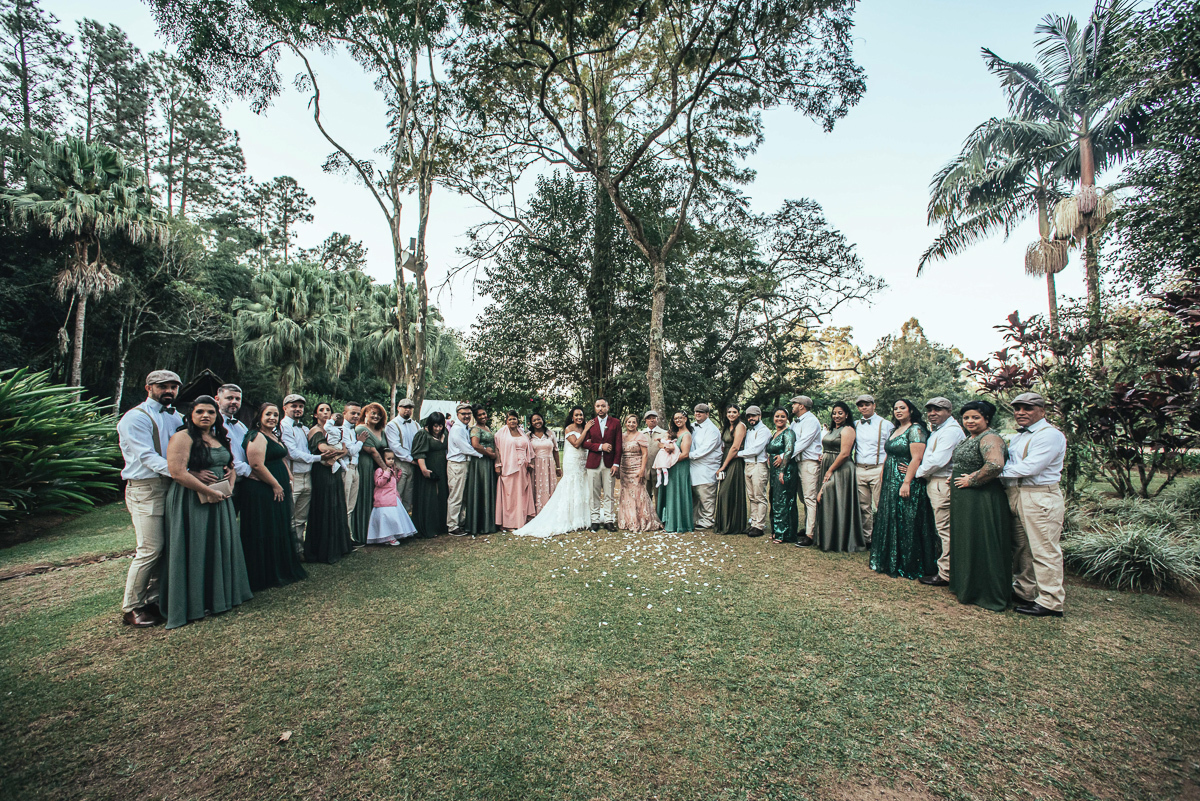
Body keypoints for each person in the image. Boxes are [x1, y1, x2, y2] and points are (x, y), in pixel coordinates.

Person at [159, 395, 252, 629]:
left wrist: (228, 487)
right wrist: (206, 491)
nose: (205, 416)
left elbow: (230, 467)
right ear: (191, 414)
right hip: (191, 499)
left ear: (216, 416)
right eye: (200, 411)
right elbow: (178, 472)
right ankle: (194, 603)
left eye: (210, 412)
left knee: (219, 544)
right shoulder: (182, 437)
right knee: (196, 546)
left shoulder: (218, 437)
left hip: (221, 497)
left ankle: (220, 597)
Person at [117, 369, 185, 627]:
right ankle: (132, 607)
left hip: (172, 485)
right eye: (163, 386)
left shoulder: (176, 417)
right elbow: (147, 457)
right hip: (145, 488)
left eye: (173, 387)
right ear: (149, 388)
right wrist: (185, 474)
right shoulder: (135, 418)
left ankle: (154, 600)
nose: (169, 391)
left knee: (166, 548)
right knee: (149, 549)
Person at [1001, 392, 1068, 618]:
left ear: (1042, 411)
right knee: (1021, 547)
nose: (1021, 413)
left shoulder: (1049, 435)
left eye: (1027, 408)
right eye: (1017, 408)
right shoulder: (1019, 436)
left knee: (1044, 549)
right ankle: (1024, 591)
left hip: (1040, 495)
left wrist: (989, 472)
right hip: (1017, 493)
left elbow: (1030, 468)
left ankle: (1051, 601)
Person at [948, 401, 1012, 612]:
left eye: (975, 417)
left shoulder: (990, 438)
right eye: (966, 417)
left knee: (981, 539)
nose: (970, 421)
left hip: (981, 498)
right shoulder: (971, 438)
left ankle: (985, 591)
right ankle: (967, 586)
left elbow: (995, 464)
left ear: (986, 419)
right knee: (968, 538)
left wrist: (972, 480)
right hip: (965, 498)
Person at [870, 399, 941, 579]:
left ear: (911, 410)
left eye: (902, 408)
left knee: (906, 518)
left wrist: (907, 481)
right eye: (895, 408)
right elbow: (889, 454)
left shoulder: (915, 429)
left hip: (905, 480)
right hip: (889, 480)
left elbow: (916, 458)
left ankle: (909, 563)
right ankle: (889, 559)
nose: (898, 411)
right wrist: (883, 476)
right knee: (890, 516)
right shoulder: (895, 430)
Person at [240, 402, 307, 592]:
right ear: (259, 416)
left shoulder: (273, 435)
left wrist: (288, 475)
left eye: (276, 415)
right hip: (263, 489)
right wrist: (276, 484)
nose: (272, 418)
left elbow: (279, 457)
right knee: (265, 527)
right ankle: (264, 573)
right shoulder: (257, 437)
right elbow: (257, 465)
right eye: (268, 414)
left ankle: (279, 566)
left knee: (278, 525)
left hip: (278, 486)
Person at [514, 406, 592, 538]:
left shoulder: (580, 429)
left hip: (583, 461)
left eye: (581, 415)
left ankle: (582, 517)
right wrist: (586, 429)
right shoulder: (569, 429)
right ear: (572, 417)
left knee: (582, 486)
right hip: (572, 461)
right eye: (576, 415)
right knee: (571, 486)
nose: (579, 417)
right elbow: (577, 443)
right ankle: (569, 517)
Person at [915, 397, 966, 587]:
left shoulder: (951, 432)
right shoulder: (940, 430)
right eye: (929, 410)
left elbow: (938, 460)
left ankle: (946, 573)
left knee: (945, 529)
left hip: (941, 483)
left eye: (937, 410)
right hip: (934, 481)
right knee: (941, 527)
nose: (932, 414)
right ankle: (943, 568)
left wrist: (915, 474)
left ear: (949, 411)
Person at [303, 402, 354, 564]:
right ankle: (322, 549)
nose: (325, 413)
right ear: (315, 415)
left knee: (337, 504)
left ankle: (339, 546)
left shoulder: (336, 430)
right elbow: (324, 449)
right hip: (321, 472)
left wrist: (335, 455)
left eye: (328, 410)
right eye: (321, 410)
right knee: (325, 506)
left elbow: (345, 450)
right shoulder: (315, 431)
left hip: (335, 469)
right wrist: (336, 452)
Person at [813, 401, 865, 552]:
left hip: (841, 468)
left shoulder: (848, 429)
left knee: (830, 495)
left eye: (840, 413)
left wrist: (830, 470)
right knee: (829, 500)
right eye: (834, 413)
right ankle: (828, 539)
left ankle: (841, 540)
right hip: (828, 463)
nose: (836, 416)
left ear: (847, 414)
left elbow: (844, 454)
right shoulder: (831, 430)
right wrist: (824, 456)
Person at [281, 393, 322, 551]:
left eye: (300, 406)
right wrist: (319, 458)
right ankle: (287, 550)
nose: (298, 409)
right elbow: (292, 453)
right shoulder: (283, 426)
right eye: (294, 406)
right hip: (293, 476)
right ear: (285, 408)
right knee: (289, 516)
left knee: (301, 517)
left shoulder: (305, 428)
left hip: (307, 476)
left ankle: (299, 550)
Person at [854, 394, 894, 546]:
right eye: (861, 405)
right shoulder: (855, 424)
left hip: (878, 468)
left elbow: (890, 449)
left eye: (867, 404)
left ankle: (884, 538)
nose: (864, 407)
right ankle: (867, 538)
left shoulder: (886, 424)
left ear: (874, 405)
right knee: (863, 506)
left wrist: (885, 468)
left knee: (881, 505)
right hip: (859, 468)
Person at [581, 398, 622, 532]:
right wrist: (600, 446)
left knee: (609, 493)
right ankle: (595, 520)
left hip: (610, 464)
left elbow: (618, 445)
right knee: (594, 493)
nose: (600, 408)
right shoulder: (591, 423)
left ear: (607, 407)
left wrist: (616, 464)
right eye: (598, 406)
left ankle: (609, 520)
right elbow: (584, 443)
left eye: (603, 406)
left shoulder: (615, 423)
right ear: (595, 408)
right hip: (593, 463)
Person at [352, 402, 389, 545]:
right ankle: (361, 533)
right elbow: (372, 451)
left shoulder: (382, 431)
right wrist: (386, 468)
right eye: (373, 413)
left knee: (376, 499)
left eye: (379, 414)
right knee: (364, 497)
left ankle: (375, 532)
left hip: (377, 468)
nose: (376, 416)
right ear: (365, 413)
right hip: (366, 465)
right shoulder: (361, 428)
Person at [789, 395, 823, 547]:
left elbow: (802, 443)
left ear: (801, 406)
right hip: (798, 462)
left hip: (809, 463)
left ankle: (811, 534)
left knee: (810, 498)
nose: (792, 406)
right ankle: (808, 526)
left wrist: (784, 456)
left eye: (794, 404)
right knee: (803, 497)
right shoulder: (795, 422)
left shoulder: (811, 421)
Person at [618, 413, 662, 532]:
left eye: (634, 422)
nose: (631, 424)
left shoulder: (640, 436)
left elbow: (645, 454)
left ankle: (641, 520)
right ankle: (628, 520)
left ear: (637, 424)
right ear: (625, 423)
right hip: (624, 468)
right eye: (629, 422)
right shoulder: (621, 436)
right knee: (626, 493)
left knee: (638, 493)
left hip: (637, 467)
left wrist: (642, 470)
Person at [446, 403, 484, 535]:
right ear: (457, 415)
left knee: (463, 496)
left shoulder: (465, 428)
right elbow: (466, 448)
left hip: (465, 464)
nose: (466, 416)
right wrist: (482, 454)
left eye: (469, 414)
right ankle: (452, 526)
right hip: (457, 464)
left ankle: (461, 522)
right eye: (463, 414)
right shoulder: (457, 429)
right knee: (456, 496)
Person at [495, 411, 536, 530]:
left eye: (515, 419)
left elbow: (529, 448)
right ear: (506, 421)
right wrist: (498, 464)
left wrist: (530, 463)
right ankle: (508, 523)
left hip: (522, 467)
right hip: (509, 467)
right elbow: (497, 449)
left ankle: (520, 520)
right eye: (510, 419)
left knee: (521, 493)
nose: (513, 421)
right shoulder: (500, 434)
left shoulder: (522, 433)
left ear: (518, 420)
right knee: (509, 495)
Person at [411, 412, 449, 537]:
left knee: (442, 496)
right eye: (435, 426)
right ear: (430, 424)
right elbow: (419, 454)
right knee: (430, 497)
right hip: (429, 468)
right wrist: (424, 470)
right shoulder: (422, 434)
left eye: (440, 426)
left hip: (443, 468)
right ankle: (428, 527)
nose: (438, 429)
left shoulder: (446, 433)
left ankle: (441, 526)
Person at [367, 449, 418, 545]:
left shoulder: (392, 470)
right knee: (387, 519)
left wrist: (398, 473)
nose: (391, 461)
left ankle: (393, 534)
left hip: (393, 499)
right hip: (383, 499)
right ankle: (387, 536)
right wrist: (386, 473)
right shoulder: (379, 471)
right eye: (388, 459)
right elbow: (379, 483)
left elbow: (394, 482)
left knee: (394, 518)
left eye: (393, 459)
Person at [656, 411, 694, 532]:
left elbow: (685, 454)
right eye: (675, 418)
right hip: (669, 467)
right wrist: (666, 448)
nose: (678, 420)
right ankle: (666, 520)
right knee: (669, 493)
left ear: (685, 419)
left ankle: (678, 523)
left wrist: (670, 460)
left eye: (680, 418)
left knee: (677, 493)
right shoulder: (672, 433)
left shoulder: (686, 435)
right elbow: (660, 445)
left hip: (679, 467)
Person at [713, 405, 748, 536]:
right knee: (724, 490)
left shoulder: (740, 426)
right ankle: (723, 524)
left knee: (725, 491)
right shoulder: (727, 426)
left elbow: (735, 447)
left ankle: (732, 525)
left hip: (734, 460)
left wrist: (723, 467)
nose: (731, 414)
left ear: (739, 414)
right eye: (729, 412)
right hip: (726, 457)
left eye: (734, 412)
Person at [465, 405, 499, 536]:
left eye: (484, 414)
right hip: (480, 463)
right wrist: (489, 454)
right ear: (475, 417)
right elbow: (475, 445)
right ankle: (479, 523)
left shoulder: (487, 428)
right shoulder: (475, 429)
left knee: (488, 489)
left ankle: (488, 522)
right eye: (480, 415)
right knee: (481, 489)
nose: (483, 417)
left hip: (488, 462)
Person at [689, 403, 724, 531]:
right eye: (696, 411)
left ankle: (707, 520)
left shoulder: (712, 430)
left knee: (706, 495)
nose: (698, 414)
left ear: (707, 414)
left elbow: (706, 449)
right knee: (695, 494)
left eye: (701, 412)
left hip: (706, 467)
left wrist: (687, 455)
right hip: (693, 466)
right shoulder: (692, 426)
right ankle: (694, 518)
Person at [738, 406, 771, 538]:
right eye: (749, 416)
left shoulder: (764, 431)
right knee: (751, 496)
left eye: (753, 416)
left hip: (758, 464)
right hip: (748, 464)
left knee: (759, 496)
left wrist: (737, 454)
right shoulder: (749, 431)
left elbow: (756, 449)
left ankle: (760, 525)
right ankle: (753, 522)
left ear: (759, 416)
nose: (751, 418)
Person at [767, 408, 799, 543]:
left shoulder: (789, 432)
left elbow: (789, 450)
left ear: (787, 418)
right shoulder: (774, 433)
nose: (779, 419)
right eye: (777, 416)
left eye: (782, 416)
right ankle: (776, 530)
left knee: (783, 501)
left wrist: (782, 470)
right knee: (774, 499)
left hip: (785, 470)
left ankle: (783, 534)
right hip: (773, 471)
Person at [216, 384, 251, 504]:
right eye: (229, 398)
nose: (234, 402)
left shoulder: (241, 426)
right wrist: (250, 471)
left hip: (244, 481)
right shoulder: (214, 425)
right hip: (224, 479)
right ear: (217, 399)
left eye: (237, 399)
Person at [384, 398, 421, 513]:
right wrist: (411, 459)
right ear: (398, 408)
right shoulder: (392, 425)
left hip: (413, 464)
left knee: (409, 496)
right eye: (405, 407)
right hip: (400, 463)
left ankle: (406, 524)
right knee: (397, 493)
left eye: (410, 408)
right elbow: (395, 447)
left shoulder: (415, 425)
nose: (407, 410)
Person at [339, 402, 368, 529]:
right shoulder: (341, 429)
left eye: (358, 413)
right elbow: (351, 451)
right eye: (353, 413)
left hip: (355, 468)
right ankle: (343, 537)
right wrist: (360, 442)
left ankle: (349, 536)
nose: (356, 416)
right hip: (346, 469)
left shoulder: (353, 429)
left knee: (351, 505)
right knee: (344, 505)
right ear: (344, 413)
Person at [528, 412, 560, 514]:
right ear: (531, 423)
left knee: (550, 487)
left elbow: (556, 450)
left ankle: (550, 512)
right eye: (534, 420)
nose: (537, 422)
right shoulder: (528, 436)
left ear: (542, 420)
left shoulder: (550, 433)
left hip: (549, 465)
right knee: (536, 487)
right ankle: (537, 511)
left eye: (539, 419)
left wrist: (558, 467)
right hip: (535, 466)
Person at [641, 411, 669, 506]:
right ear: (645, 421)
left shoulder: (664, 433)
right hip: (645, 469)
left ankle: (659, 517)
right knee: (645, 495)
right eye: (649, 418)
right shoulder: (641, 434)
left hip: (659, 469)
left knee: (659, 495)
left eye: (654, 418)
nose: (652, 420)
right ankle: (647, 517)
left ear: (657, 419)